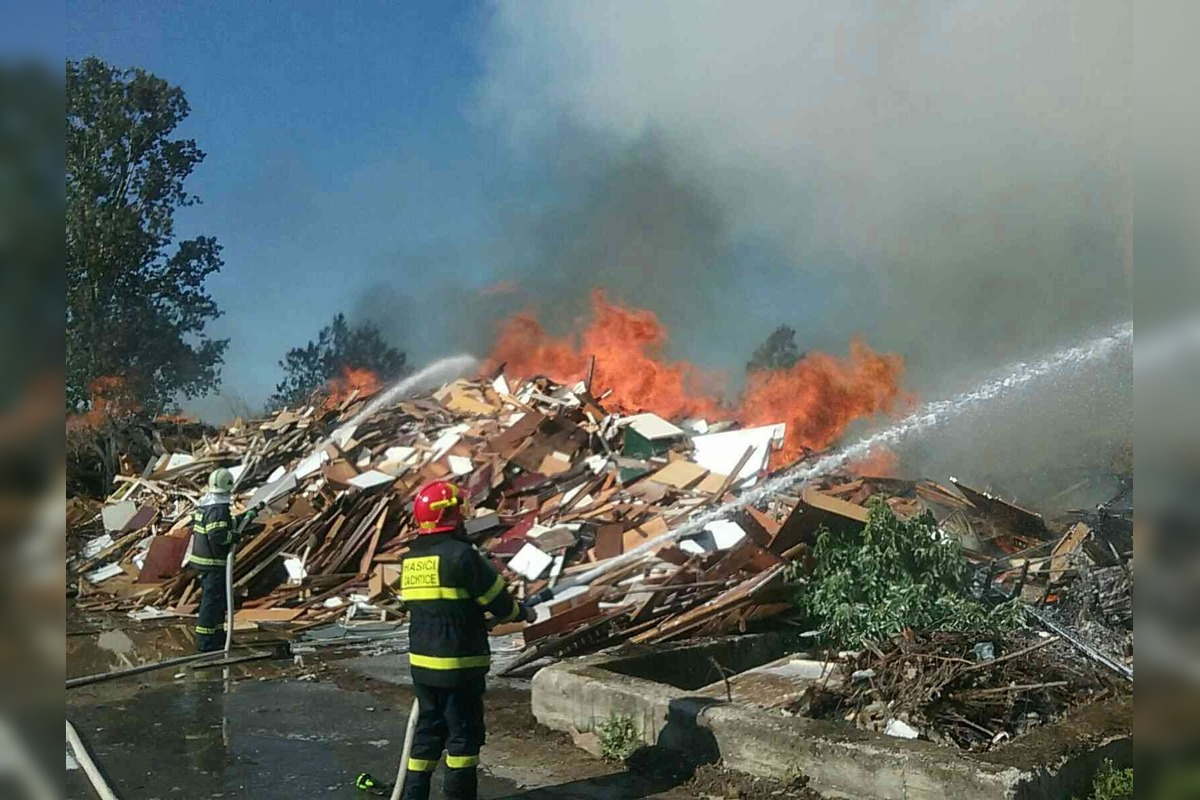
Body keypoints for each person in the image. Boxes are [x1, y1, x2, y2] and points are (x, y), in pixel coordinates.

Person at [400, 480, 535, 800]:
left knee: (427, 734)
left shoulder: (411, 560)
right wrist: (522, 612)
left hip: (422, 663)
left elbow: (431, 605)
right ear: (449, 515)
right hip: (460, 662)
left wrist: (467, 616)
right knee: (463, 737)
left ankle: (413, 796)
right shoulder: (463, 555)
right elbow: (499, 602)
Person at [188, 467, 257, 652]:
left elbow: (225, 524)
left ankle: (217, 637)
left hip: (207, 562)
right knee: (211, 603)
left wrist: (246, 517)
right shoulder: (218, 509)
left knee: (218, 602)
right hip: (212, 563)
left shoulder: (209, 505)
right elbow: (217, 534)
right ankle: (205, 642)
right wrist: (233, 538)